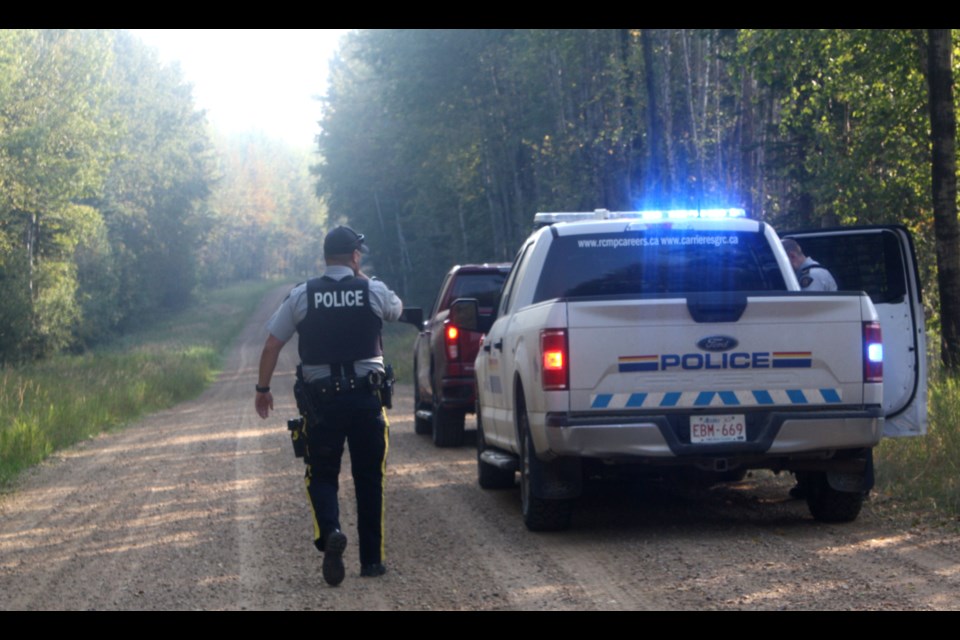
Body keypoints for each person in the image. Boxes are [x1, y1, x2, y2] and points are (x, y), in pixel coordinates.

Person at [255, 225, 402, 586]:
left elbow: (272, 344)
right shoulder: (372, 290)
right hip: (367, 401)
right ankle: (372, 562)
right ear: (354, 257)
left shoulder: (303, 295)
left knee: (321, 475)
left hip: (323, 405)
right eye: (358, 256)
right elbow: (396, 311)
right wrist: (361, 276)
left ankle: (332, 531)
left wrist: (263, 388)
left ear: (324, 258)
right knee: (370, 479)